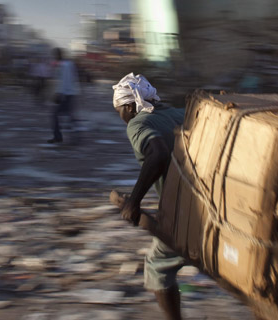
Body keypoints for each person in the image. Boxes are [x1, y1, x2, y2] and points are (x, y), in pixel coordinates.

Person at [113, 73, 185, 320]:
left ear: (130, 106)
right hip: (212, 197)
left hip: (189, 212)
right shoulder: (178, 113)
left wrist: (134, 201)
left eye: (119, 110)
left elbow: (158, 154)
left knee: (157, 265)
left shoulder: (138, 124)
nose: (120, 117)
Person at [48, 48, 80, 144]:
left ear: (58, 55)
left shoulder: (63, 65)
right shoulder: (69, 64)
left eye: (55, 56)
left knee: (55, 115)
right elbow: (73, 78)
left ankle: (59, 137)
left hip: (66, 94)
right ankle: (76, 137)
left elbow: (64, 81)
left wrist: (58, 94)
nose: (54, 58)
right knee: (69, 116)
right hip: (70, 93)